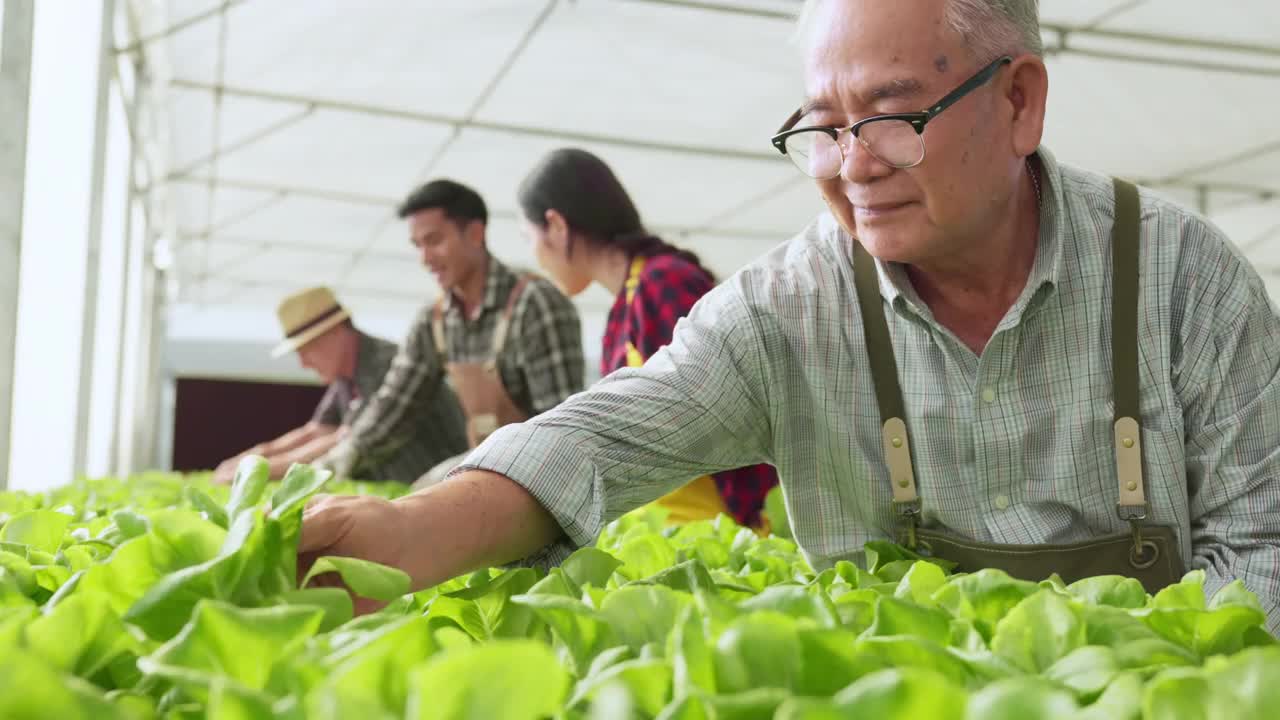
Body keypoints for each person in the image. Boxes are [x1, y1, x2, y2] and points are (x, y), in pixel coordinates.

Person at [299, 0, 1280, 630]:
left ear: (1018, 103)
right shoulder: (789, 308)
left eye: (893, 116)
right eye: (820, 125)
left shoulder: (1182, 283)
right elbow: (607, 432)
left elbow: (1260, 548)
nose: (851, 164)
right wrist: (421, 527)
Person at [516, 147, 779, 528]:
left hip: (725, 533)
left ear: (556, 225)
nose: (534, 256)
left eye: (529, 237)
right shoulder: (622, 309)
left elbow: (731, 411)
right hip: (666, 535)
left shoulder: (664, 282)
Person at [316, 179, 585, 485]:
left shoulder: (535, 304)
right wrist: (344, 454)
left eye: (434, 241)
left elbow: (559, 428)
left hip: (545, 482)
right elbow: (394, 405)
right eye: (418, 246)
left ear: (475, 233)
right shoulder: (433, 322)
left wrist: (457, 470)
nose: (425, 258)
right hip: (485, 479)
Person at [212, 287, 468, 483]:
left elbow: (345, 439)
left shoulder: (387, 365)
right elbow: (317, 430)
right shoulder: (346, 377)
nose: (303, 362)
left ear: (335, 332)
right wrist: (253, 457)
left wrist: (259, 471)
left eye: (306, 349)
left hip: (436, 483)